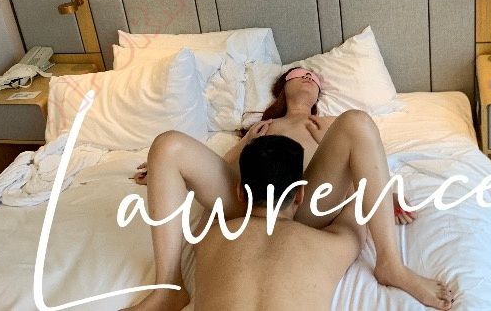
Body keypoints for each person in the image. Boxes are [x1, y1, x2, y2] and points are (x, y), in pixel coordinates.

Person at [124, 67, 454, 311]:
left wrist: (384, 191)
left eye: (314, 76)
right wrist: (168, 172)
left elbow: (366, 161)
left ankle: (391, 264)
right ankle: (167, 288)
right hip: (251, 200)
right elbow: (222, 167)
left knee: (359, 121)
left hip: (303, 203)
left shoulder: (331, 125)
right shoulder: (260, 126)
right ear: (283, 86)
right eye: (299, 73)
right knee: (166, 145)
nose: (307, 76)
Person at [194, 134, 366, 311]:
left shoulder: (206, 238)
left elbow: (212, 202)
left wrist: (240, 146)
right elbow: (357, 208)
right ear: (300, 195)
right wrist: (348, 180)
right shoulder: (329, 245)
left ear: (240, 192)